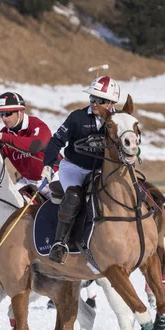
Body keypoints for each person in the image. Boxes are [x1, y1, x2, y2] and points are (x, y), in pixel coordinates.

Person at [41, 76, 121, 263]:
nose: (94, 103)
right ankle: (59, 243)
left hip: (101, 170)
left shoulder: (118, 120)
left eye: (99, 100)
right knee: (74, 196)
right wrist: (48, 165)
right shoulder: (77, 117)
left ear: (111, 103)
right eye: (92, 98)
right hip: (74, 167)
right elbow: (55, 141)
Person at [0, 92, 54, 198]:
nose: (4, 118)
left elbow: (35, 146)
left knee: (66, 209)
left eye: (7, 113)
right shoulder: (4, 134)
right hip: (27, 181)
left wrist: (6, 138)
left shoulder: (37, 125)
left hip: (53, 176)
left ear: (20, 111)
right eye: (1, 114)